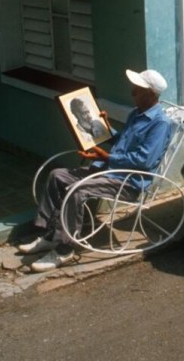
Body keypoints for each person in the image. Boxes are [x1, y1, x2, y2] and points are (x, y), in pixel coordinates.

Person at [19, 68, 172, 272]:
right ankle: (52, 234)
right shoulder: (136, 114)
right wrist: (105, 127)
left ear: (151, 94)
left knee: (78, 189)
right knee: (57, 176)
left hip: (128, 182)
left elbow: (144, 160)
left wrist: (107, 157)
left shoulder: (160, 123)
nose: (132, 92)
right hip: (108, 171)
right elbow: (122, 142)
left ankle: (65, 247)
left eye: (138, 89)